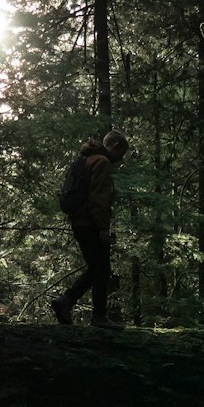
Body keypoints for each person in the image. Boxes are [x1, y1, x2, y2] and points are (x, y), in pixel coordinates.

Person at [50, 129, 129, 329]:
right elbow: (99, 199)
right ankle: (94, 313)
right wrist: (103, 228)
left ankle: (70, 303)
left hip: (79, 221)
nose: (120, 159)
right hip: (90, 223)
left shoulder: (84, 160)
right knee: (101, 268)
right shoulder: (101, 162)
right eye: (122, 154)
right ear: (116, 146)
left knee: (97, 267)